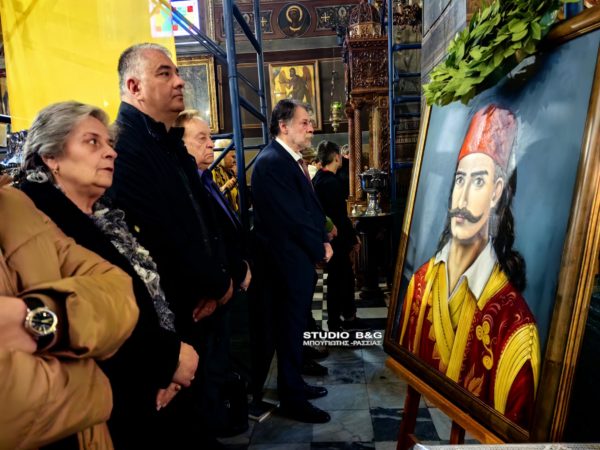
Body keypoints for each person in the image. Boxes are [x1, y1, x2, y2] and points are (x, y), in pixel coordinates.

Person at [17, 101, 200, 449]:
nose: (111, 153)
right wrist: (164, 360)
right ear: (51, 156)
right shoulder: (35, 219)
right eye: (92, 142)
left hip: (148, 390)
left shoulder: (105, 215)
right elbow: (65, 321)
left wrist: (170, 363)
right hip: (100, 408)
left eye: (110, 143)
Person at [110, 43, 233, 448]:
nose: (180, 81)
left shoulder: (167, 142)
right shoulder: (127, 149)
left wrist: (220, 282)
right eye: (165, 73)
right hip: (172, 318)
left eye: (177, 72)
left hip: (198, 304)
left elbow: (203, 223)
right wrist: (215, 284)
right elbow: (159, 239)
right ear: (134, 86)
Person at [397, 104, 541, 428]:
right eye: (460, 179)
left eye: (478, 182)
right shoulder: (420, 283)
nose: (461, 200)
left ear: (497, 192)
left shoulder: (514, 329)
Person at [0, 174, 138, 450]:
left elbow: (118, 289)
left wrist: (40, 317)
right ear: (52, 160)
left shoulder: (14, 204)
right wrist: (93, 381)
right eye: (91, 148)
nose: (111, 154)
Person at [251, 99, 332, 424]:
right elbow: (293, 218)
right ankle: (292, 399)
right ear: (283, 126)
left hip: (295, 262)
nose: (311, 128)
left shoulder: (288, 159)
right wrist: (319, 248)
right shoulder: (272, 162)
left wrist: (323, 237)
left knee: (295, 329)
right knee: (289, 331)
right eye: (304, 123)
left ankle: (294, 384)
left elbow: (309, 208)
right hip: (284, 265)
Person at [313, 141, 367, 332]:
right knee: (339, 281)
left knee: (341, 279)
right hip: (337, 240)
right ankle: (336, 323)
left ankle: (347, 317)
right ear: (337, 157)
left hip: (328, 238)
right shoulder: (331, 183)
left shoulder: (319, 178)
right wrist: (353, 238)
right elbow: (339, 217)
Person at [212, 138, 240, 213]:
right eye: (233, 157)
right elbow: (213, 199)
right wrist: (224, 188)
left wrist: (236, 176)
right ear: (222, 155)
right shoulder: (213, 171)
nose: (235, 161)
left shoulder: (228, 171)